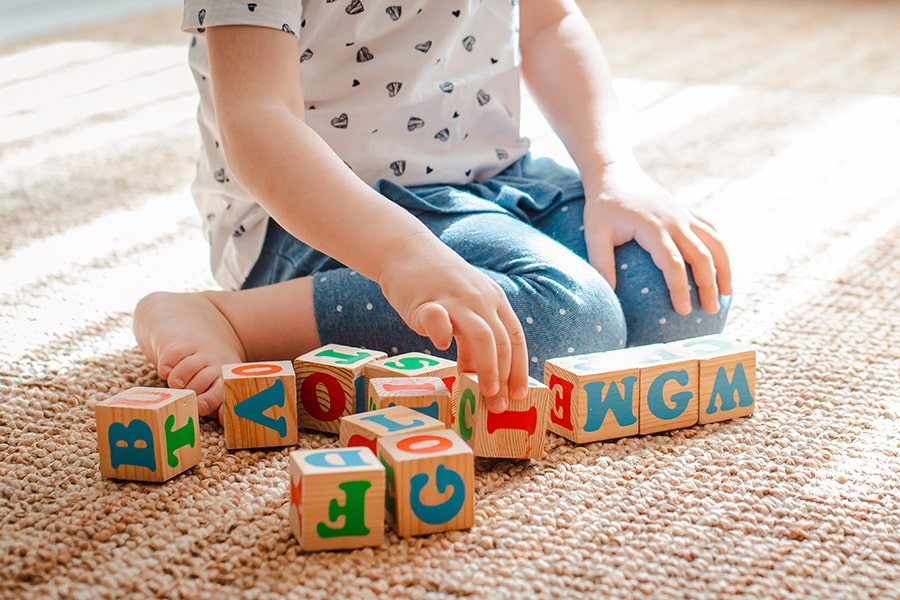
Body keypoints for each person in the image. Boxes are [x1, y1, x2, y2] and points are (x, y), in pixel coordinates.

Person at [134, 0, 733, 420]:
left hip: (492, 183)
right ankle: (235, 318)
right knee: (574, 322)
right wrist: (402, 258)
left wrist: (613, 174)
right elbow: (259, 121)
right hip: (331, 217)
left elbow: (550, 26)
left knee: (675, 293)